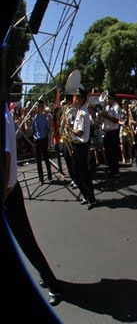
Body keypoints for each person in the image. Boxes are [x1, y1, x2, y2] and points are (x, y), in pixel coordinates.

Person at [3, 96, 62, 306]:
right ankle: (47, 277)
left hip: (7, 192)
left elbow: (7, 155)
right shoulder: (6, 113)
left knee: (26, 243)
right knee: (26, 242)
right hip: (10, 188)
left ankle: (53, 283)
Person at [67, 87, 97, 209]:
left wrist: (69, 128)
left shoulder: (83, 113)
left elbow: (79, 133)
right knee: (76, 173)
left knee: (84, 174)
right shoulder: (78, 112)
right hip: (76, 145)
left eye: (78, 98)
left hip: (82, 147)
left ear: (82, 99)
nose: (75, 100)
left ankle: (91, 199)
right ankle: (85, 196)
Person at [100, 91, 122, 177]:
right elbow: (104, 119)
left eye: (108, 98)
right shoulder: (107, 107)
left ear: (112, 98)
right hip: (106, 132)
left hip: (113, 132)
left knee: (113, 152)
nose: (107, 99)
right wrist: (101, 117)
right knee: (108, 152)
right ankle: (111, 170)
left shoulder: (116, 107)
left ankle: (116, 171)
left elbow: (116, 120)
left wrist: (106, 116)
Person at [31, 100, 53, 184]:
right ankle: (41, 178)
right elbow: (33, 129)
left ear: (41, 108)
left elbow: (48, 129)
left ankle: (50, 176)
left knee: (46, 159)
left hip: (44, 139)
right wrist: (34, 138)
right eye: (37, 107)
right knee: (38, 160)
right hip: (37, 140)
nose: (37, 108)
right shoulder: (34, 118)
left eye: (39, 107)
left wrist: (47, 140)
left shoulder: (45, 117)